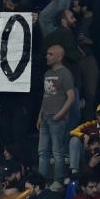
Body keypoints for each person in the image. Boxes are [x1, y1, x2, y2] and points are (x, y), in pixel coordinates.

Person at [39, 45, 77, 182]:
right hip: (45, 117)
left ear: (59, 57)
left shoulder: (65, 73)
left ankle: (58, 181)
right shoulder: (47, 73)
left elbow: (71, 97)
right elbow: (45, 96)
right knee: (43, 152)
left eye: (50, 54)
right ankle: (40, 182)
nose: (46, 56)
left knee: (57, 153)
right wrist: (40, 116)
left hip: (57, 119)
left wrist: (60, 115)